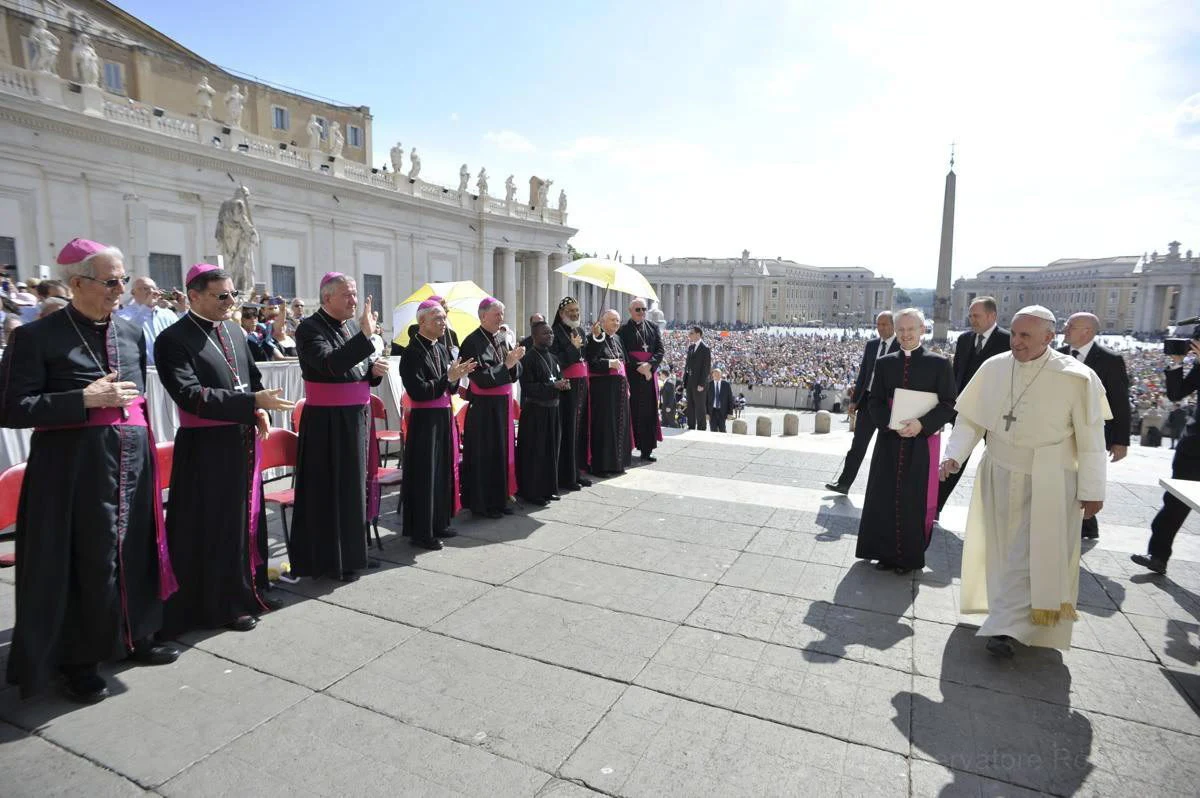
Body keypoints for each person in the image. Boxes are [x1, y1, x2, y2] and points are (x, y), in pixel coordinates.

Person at [0, 238, 179, 703]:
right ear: (77, 283)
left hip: (131, 460)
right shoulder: (36, 337)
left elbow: (136, 398)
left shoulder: (130, 332)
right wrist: (81, 399)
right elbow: (13, 408)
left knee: (134, 548)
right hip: (72, 470)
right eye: (111, 281)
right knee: (86, 561)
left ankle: (136, 635)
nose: (120, 290)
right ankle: (78, 661)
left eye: (123, 279)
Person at [940, 306, 1108, 657]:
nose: (1016, 342)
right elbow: (970, 419)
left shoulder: (1077, 377)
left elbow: (1092, 439)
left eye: (1026, 336)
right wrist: (953, 455)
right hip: (999, 470)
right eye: (1014, 334)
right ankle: (1009, 616)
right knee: (1002, 548)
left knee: (1028, 554)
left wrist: (1093, 489)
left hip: (1049, 478)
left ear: (1049, 337)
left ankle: (1004, 629)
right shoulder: (994, 367)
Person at [154, 264, 296, 636]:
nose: (231, 302)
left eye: (233, 294)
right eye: (222, 296)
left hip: (243, 442)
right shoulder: (172, 339)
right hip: (206, 449)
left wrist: (260, 409)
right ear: (194, 295)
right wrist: (250, 403)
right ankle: (222, 605)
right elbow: (189, 394)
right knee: (217, 528)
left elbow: (253, 380)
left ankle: (253, 590)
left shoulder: (233, 330)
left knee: (249, 521)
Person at [290, 273, 389, 583]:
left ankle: (354, 555)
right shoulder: (309, 328)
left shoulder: (348, 327)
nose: (354, 301)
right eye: (347, 295)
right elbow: (329, 365)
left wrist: (374, 372)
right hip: (327, 424)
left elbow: (357, 371)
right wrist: (365, 335)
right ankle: (332, 560)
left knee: (353, 489)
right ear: (327, 297)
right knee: (333, 491)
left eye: (355, 294)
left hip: (355, 418)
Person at [856, 309, 956, 574]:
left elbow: (949, 403)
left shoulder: (939, 364)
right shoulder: (885, 363)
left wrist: (922, 424)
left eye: (911, 329)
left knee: (913, 499)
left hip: (921, 443)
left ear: (923, 330)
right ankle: (884, 553)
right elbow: (875, 401)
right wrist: (890, 423)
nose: (905, 334)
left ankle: (907, 559)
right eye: (901, 329)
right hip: (890, 439)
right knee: (884, 496)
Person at [400, 299, 475, 550]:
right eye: (438, 318)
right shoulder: (411, 353)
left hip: (443, 416)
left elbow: (449, 388)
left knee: (442, 471)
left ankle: (440, 522)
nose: (444, 322)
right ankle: (422, 532)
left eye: (444, 317)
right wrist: (448, 378)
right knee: (426, 475)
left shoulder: (441, 348)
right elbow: (418, 391)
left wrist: (456, 377)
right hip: (424, 422)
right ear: (422, 321)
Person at [1059, 312, 1130, 540]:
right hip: (1060, 432)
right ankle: (1082, 523)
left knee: (1086, 476)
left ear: (1087, 331)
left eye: (1070, 326)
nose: (1065, 329)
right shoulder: (1056, 355)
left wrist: (1121, 441)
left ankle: (1087, 523)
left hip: (1093, 433)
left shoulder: (1110, 360)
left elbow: (1120, 403)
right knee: (1068, 478)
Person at [937, 297, 1011, 512]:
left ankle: (996, 511)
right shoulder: (964, 339)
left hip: (996, 414)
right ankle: (935, 506)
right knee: (953, 459)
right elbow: (957, 374)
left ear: (992, 316)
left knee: (996, 464)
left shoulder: (1008, 340)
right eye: (970, 315)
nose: (972, 319)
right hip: (967, 411)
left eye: (976, 315)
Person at [1133, 339, 1200, 575]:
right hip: (1193, 447)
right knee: (1174, 502)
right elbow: (1176, 393)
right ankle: (1158, 555)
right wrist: (1178, 363)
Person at [459, 297, 524, 518]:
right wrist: (507, 365)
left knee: (501, 453)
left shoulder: (502, 338)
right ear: (483, 316)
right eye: (497, 314)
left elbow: (514, 371)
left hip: (502, 407)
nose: (501, 318)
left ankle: (500, 499)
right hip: (484, 410)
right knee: (485, 455)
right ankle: (483, 504)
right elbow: (480, 378)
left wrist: (514, 364)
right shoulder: (471, 342)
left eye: (502, 314)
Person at [826, 311, 897, 494]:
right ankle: (844, 483)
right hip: (868, 401)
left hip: (890, 405)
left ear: (894, 325)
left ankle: (885, 491)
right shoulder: (872, 345)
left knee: (888, 449)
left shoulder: (901, 345)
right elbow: (864, 373)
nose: (880, 328)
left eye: (884, 324)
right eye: (878, 324)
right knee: (858, 445)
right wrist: (854, 400)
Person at [517, 321, 569, 506]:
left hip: (553, 410)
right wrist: (553, 386)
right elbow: (528, 388)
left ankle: (549, 489)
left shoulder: (554, 358)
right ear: (534, 336)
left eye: (551, 333)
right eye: (546, 333)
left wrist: (563, 384)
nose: (550, 336)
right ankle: (533, 492)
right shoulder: (528, 359)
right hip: (536, 412)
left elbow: (558, 378)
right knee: (536, 453)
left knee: (552, 451)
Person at [550, 296, 592, 490]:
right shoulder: (554, 333)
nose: (575, 314)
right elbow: (556, 362)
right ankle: (567, 476)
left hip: (581, 386)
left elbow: (587, 355)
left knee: (579, 430)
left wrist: (596, 337)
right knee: (568, 431)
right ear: (561, 314)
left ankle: (577, 472)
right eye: (571, 311)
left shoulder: (580, 330)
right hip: (567, 389)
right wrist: (573, 348)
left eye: (577, 311)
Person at [617, 298, 664, 461]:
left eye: (644, 309)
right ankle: (627, 449)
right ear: (630, 311)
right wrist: (638, 367)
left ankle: (646, 449)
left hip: (649, 375)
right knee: (630, 411)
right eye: (638, 309)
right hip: (632, 375)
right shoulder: (622, 330)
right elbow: (621, 352)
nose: (642, 312)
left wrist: (650, 365)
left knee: (648, 413)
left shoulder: (653, 327)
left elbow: (660, 350)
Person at [586, 309, 632, 475]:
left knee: (620, 426)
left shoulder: (617, 338)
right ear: (603, 322)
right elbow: (591, 363)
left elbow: (623, 363)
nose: (616, 323)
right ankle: (601, 466)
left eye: (618, 320)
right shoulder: (594, 338)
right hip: (603, 391)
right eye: (612, 320)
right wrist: (608, 364)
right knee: (604, 427)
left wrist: (627, 386)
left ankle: (618, 464)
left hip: (619, 390)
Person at [117, 276, 179, 366]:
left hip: (169, 368)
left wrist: (182, 311)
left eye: (153, 288)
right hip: (143, 369)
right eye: (144, 289)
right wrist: (147, 307)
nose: (150, 292)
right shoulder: (122, 314)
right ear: (133, 293)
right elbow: (129, 334)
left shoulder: (168, 314)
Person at [683, 326, 711, 430]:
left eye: (691, 333)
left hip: (699, 383)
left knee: (700, 406)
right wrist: (685, 381)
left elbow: (706, 368)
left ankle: (701, 428)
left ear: (698, 334)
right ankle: (691, 426)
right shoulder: (691, 347)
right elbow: (687, 366)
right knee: (690, 405)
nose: (689, 335)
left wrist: (702, 384)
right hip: (689, 381)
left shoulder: (705, 348)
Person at [706, 368, 734, 432]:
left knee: (722, 430)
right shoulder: (709, 384)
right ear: (712, 375)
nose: (716, 375)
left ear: (721, 375)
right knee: (713, 430)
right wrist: (706, 413)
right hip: (712, 411)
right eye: (715, 374)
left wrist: (730, 413)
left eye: (718, 374)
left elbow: (730, 399)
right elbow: (705, 400)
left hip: (723, 411)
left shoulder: (726, 385)